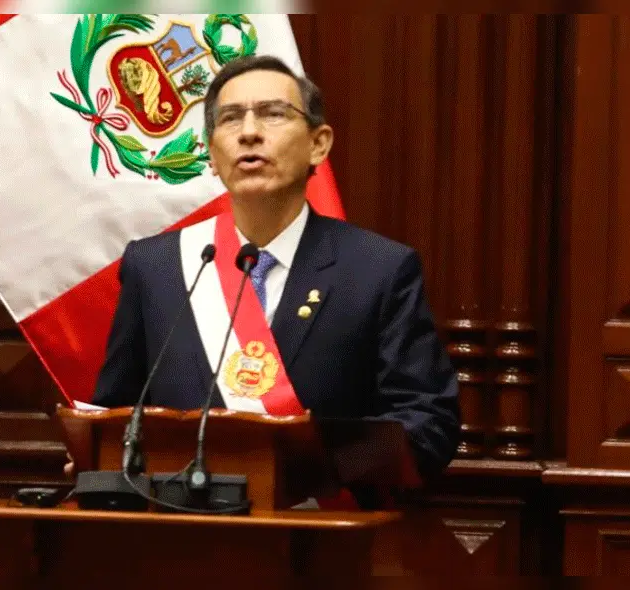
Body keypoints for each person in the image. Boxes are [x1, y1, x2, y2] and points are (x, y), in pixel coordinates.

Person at [72, 55, 459, 508]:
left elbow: (428, 424)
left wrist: (313, 474)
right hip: (177, 536)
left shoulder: (377, 270)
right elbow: (118, 416)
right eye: (231, 119)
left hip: (318, 543)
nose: (249, 132)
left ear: (319, 144)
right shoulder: (157, 267)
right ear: (212, 154)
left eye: (274, 114)